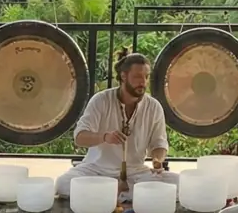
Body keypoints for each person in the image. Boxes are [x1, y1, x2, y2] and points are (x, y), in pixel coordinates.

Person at [55, 50, 177, 200]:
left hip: (135, 173)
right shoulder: (101, 100)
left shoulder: (154, 106)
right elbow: (79, 137)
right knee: (63, 183)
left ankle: (109, 194)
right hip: (97, 170)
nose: (143, 82)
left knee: (178, 183)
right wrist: (105, 137)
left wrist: (157, 161)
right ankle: (127, 194)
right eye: (138, 77)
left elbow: (159, 143)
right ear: (123, 76)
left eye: (146, 77)